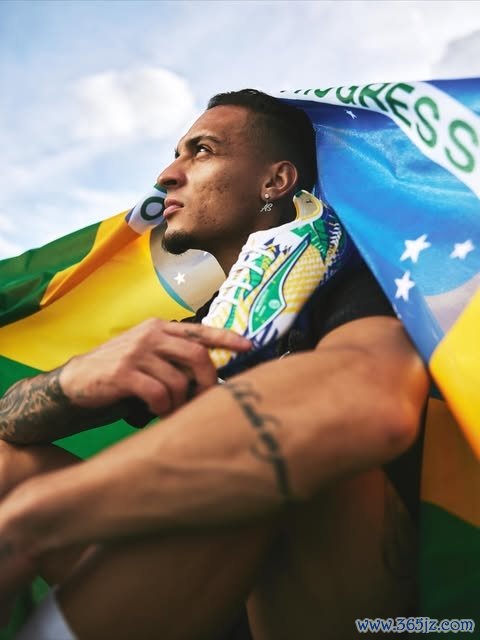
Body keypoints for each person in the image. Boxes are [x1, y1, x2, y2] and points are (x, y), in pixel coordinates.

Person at [0, 89, 429, 640]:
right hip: (209, 594)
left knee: (279, 448)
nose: (166, 176)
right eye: (175, 155)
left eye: (201, 151)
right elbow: (9, 422)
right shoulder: (197, 330)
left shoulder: (362, 273)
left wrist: (40, 517)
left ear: (276, 181)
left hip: (358, 610)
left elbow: (372, 401)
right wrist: (71, 383)